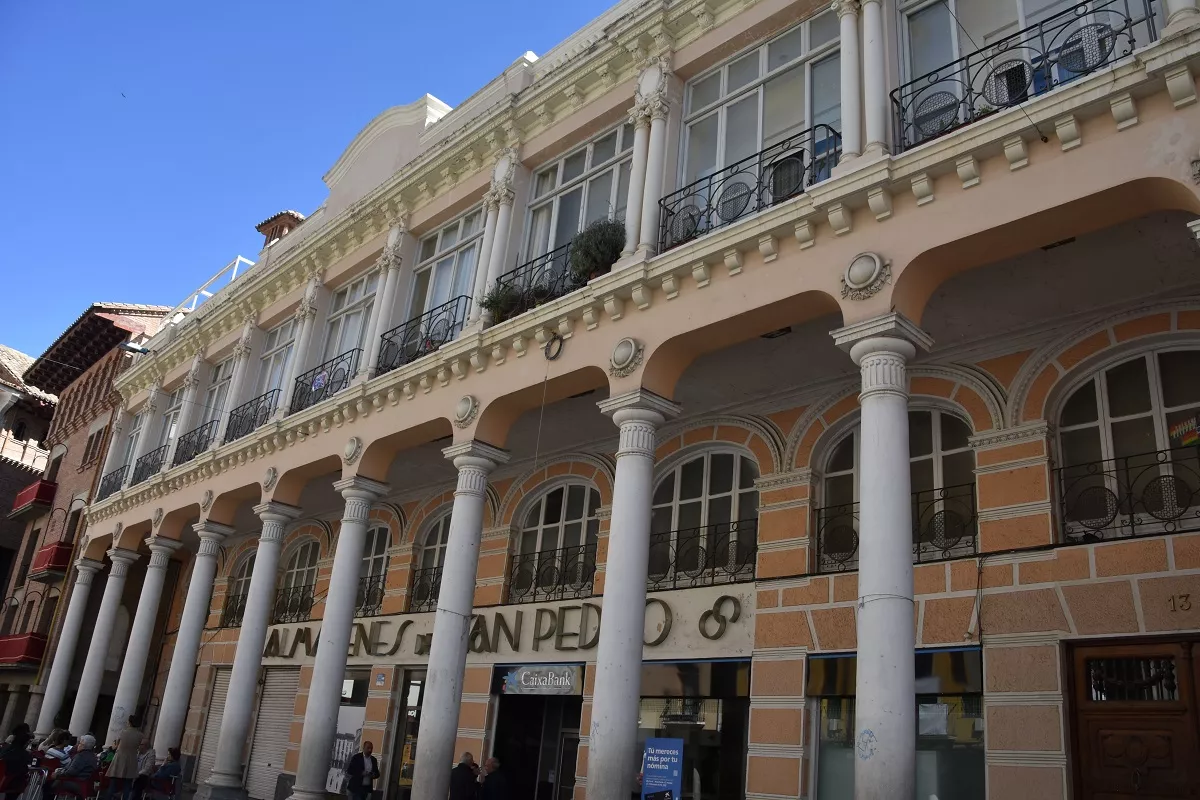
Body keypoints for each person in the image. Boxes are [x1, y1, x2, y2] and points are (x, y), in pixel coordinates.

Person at [42, 734, 98, 800]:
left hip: (77, 783)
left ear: (83, 746)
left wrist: (57, 775)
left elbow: (71, 772)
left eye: (80, 743)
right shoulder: (93, 757)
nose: (78, 745)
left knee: (48, 785)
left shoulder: (80, 756)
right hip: (86, 783)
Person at [105, 715, 144, 800]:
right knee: (127, 785)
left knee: (113, 784)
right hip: (132, 759)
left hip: (120, 758)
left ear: (129, 722)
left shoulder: (123, 732)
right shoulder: (141, 735)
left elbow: (115, 746)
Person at [0, 723, 33, 800]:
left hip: (2, 779)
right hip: (9, 783)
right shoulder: (24, 754)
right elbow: (24, 770)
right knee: (20, 779)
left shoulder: (4, 748)